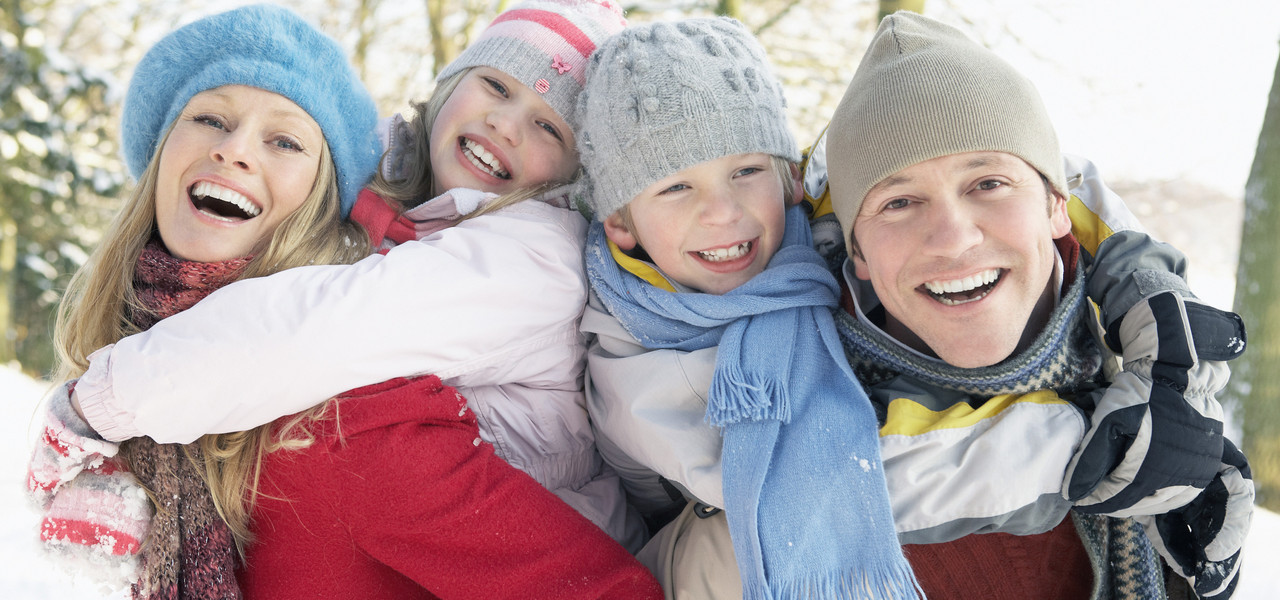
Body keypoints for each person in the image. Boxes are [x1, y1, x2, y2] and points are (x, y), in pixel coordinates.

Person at [581, 11, 1253, 600]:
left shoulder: (1107, 348)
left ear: (1057, 207)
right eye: (899, 203)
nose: (954, 237)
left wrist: (1170, 357)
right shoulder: (740, 427)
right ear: (856, 250)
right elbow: (833, 479)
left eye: (988, 183)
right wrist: (1115, 449)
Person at [26, 5, 662, 599]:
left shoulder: (533, 254)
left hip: (534, 539)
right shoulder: (391, 208)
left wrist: (107, 399)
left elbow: (322, 331)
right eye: (496, 87)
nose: (505, 123)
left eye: (548, 125)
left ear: (575, 175)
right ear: (447, 86)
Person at [574, 17, 922, 599]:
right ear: (620, 222)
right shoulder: (631, 350)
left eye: (745, 171)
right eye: (675, 187)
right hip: (698, 551)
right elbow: (805, 485)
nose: (721, 211)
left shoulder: (841, 234)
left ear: (790, 180)